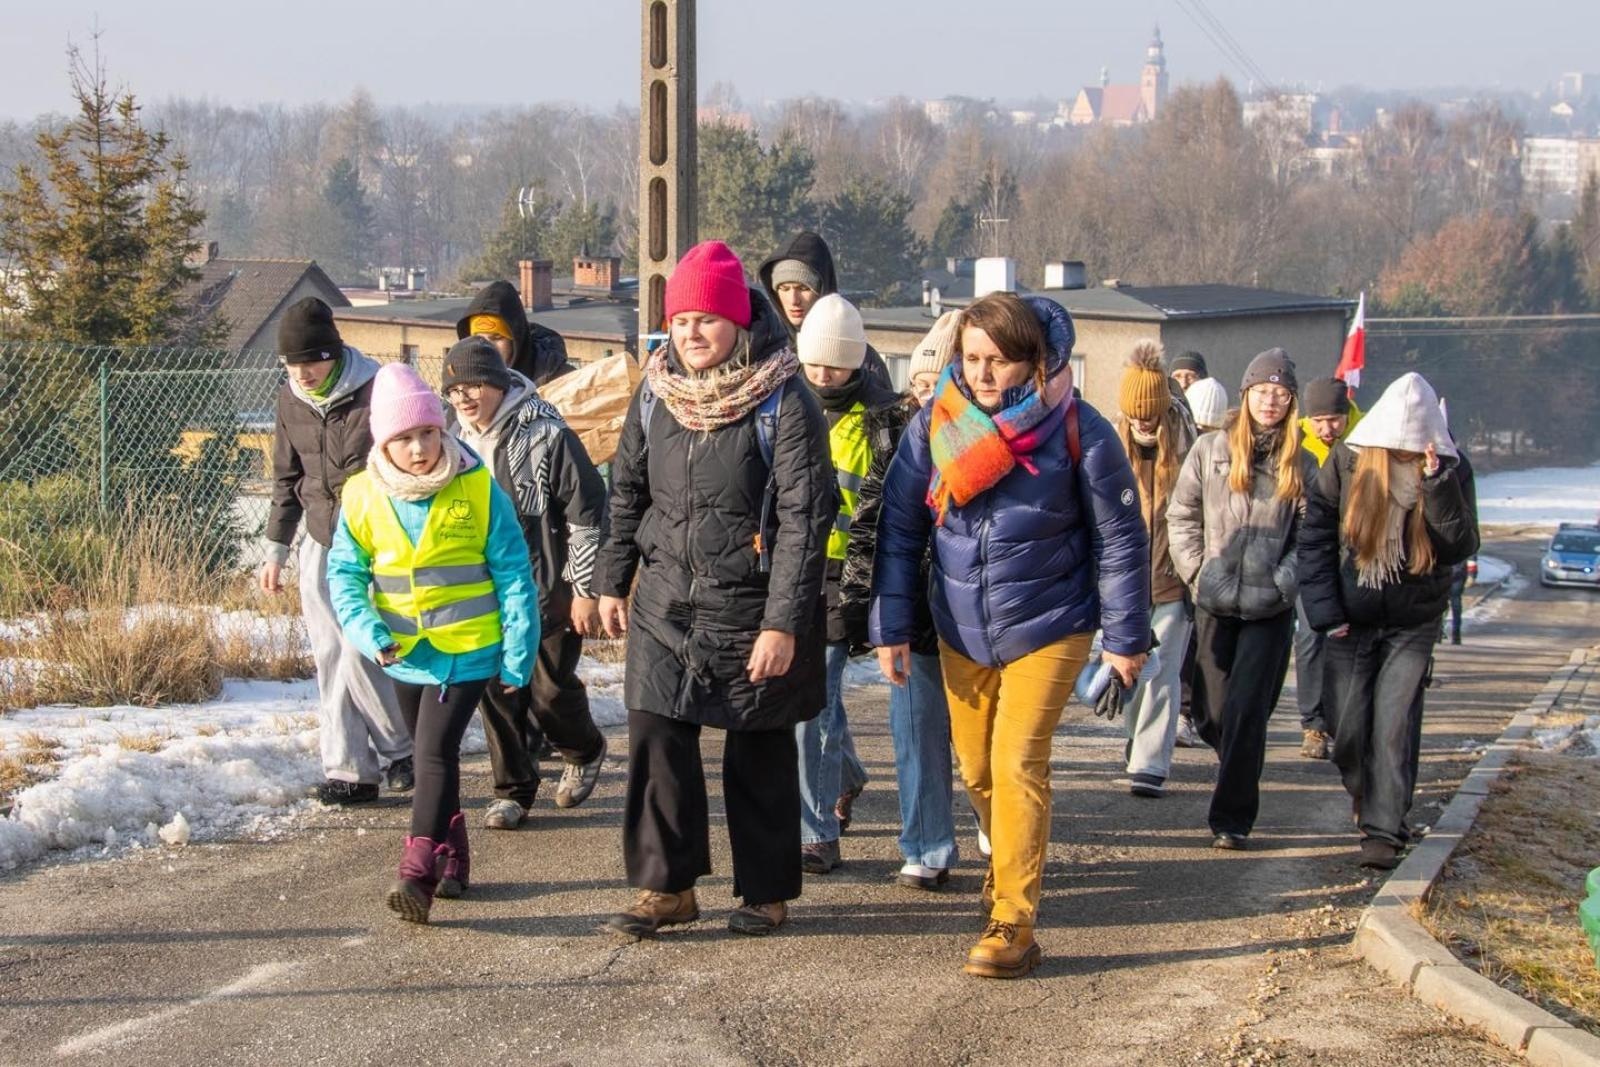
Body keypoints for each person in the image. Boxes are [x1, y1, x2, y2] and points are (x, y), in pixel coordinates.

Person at [871, 292, 1150, 979]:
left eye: (999, 360)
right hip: (961, 626)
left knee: (1018, 757)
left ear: (1033, 361)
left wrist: (1125, 637)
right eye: (972, 358)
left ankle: (1014, 919)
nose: (985, 373)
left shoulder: (1078, 429)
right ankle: (1009, 864)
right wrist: (892, 625)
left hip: (1052, 624)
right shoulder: (934, 427)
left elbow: (1120, 538)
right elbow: (901, 530)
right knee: (975, 767)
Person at [595, 240, 834, 939]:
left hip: (755, 607)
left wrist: (783, 622)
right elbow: (627, 492)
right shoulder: (656, 391)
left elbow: (804, 517)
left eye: (706, 318)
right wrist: (612, 579)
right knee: (656, 736)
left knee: (756, 749)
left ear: (736, 320)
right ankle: (665, 888)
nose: (691, 333)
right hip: (666, 601)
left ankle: (764, 891)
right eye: (680, 320)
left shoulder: (783, 400)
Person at [327, 363, 539, 923]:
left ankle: (417, 868)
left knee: (431, 752)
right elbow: (345, 575)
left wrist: (518, 653)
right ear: (383, 442)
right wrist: (367, 632)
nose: (419, 448)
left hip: (467, 651)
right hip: (401, 652)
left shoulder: (477, 487)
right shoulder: (361, 496)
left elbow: (515, 574)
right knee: (430, 755)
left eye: (427, 433)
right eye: (404, 438)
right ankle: (455, 860)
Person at [1298, 372, 1479, 869]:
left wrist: (1438, 483)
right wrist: (1325, 611)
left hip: (1414, 622)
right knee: (1349, 732)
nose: (1405, 455)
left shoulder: (1450, 468)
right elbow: (1314, 537)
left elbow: (1459, 546)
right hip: (1350, 619)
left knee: (1394, 726)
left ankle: (1383, 829)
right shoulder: (1349, 461)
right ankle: (1367, 797)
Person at [442, 338, 610, 832]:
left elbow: (588, 512)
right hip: (485, 588)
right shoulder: (452, 440)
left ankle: (584, 749)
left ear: (497, 381)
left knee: (547, 691)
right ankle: (511, 791)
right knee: (495, 690)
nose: (464, 397)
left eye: (473, 384)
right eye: (454, 389)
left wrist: (583, 588)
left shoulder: (546, 433)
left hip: (550, 587)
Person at [260, 298, 411, 805]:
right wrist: (277, 548)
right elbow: (287, 478)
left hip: (376, 539)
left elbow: (410, 455)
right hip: (321, 540)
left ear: (334, 352)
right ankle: (350, 770)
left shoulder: (378, 390)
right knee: (329, 654)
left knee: (360, 647)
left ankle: (403, 748)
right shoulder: (289, 399)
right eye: (292, 363)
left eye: (311, 360)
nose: (302, 372)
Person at [1167, 348, 1310, 851]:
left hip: (1270, 608)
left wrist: (1284, 582)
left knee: (1248, 711)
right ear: (1246, 395)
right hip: (1214, 598)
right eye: (1263, 391)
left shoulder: (1303, 462)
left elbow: (1309, 538)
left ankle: (1232, 818)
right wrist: (1196, 572)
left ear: (1291, 402)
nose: (1271, 401)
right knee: (1211, 713)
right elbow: (1181, 515)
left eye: (1281, 393)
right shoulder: (1211, 451)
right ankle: (1237, 760)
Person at [844, 316, 961, 890]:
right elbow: (871, 524)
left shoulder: (997, 437)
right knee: (914, 731)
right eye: (918, 381)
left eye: (938, 380)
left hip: (979, 615)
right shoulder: (889, 431)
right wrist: (865, 607)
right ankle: (926, 845)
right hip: (911, 607)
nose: (925, 393)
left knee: (982, 745)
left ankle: (995, 826)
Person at [1114, 341, 1198, 799]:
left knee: (1162, 668)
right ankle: (1135, 734)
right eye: (1135, 413)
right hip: (1122, 582)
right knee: (1129, 669)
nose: (1143, 421)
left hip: (1172, 578)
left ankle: (1150, 762)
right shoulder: (1109, 445)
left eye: (1150, 412)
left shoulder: (1190, 448)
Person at [1294, 377, 1362, 760]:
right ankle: (1314, 725)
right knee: (1310, 639)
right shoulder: (1298, 442)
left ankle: (1347, 721)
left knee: (1349, 642)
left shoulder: (1367, 436)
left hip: (1355, 556)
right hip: (1312, 555)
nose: (1326, 429)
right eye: (1318, 420)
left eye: (1334, 419)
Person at [760, 230, 892, 398]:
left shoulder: (862, 359)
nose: (793, 300)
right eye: (784, 289)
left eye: (803, 288)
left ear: (823, 287)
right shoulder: (765, 352)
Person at [1174, 375, 1231, 749]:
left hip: (1219, 570)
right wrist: (1193, 565)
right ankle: (1184, 712)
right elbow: (1182, 512)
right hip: (1188, 564)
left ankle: (1194, 713)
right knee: (1185, 646)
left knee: (1200, 647)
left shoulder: (1227, 451)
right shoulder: (1187, 447)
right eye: (1200, 427)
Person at [455, 279, 574, 387]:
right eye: (477, 339)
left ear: (516, 340)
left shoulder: (561, 380)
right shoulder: (462, 383)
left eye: (497, 337)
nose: (486, 346)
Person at [905, 310, 961, 404]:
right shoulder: (897, 417)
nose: (932, 395)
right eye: (924, 385)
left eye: (941, 386)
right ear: (914, 388)